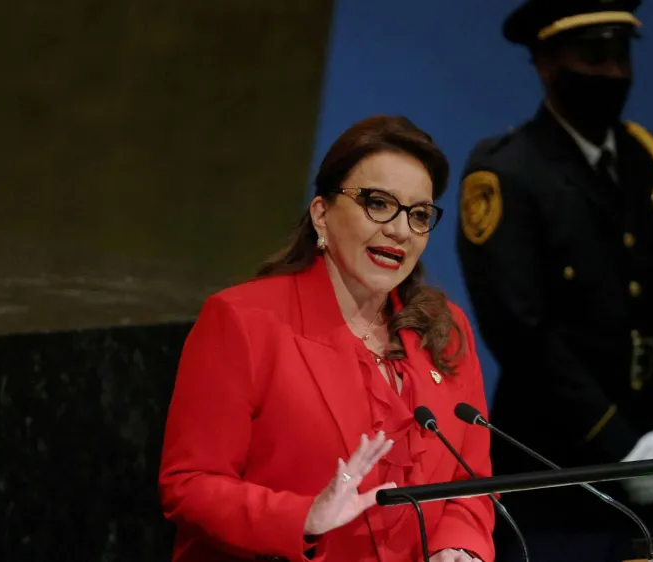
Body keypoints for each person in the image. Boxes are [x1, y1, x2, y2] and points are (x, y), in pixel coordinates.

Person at [159, 115, 496, 562]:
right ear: (321, 213)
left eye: (418, 215)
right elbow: (189, 484)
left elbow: (471, 485)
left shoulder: (446, 330)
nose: (399, 230)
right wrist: (303, 518)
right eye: (378, 204)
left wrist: (459, 547)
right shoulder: (243, 321)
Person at [455, 1, 653, 561]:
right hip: (558, 470)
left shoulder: (651, 160)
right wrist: (620, 449)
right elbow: (520, 329)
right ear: (546, 63)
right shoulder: (506, 172)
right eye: (594, 56)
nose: (615, 73)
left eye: (622, 54)